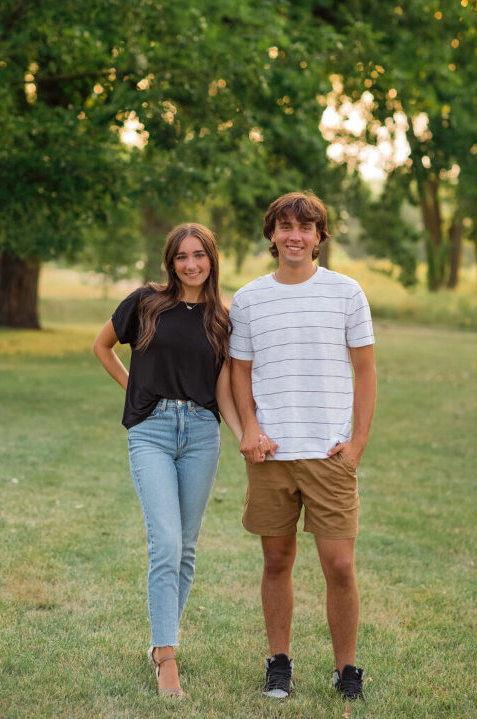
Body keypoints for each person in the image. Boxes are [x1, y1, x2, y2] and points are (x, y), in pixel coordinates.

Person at [94, 223, 272, 698]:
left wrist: (247, 432)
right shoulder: (145, 302)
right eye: (181, 257)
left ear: (212, 259)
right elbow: (101, 346)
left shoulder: (223, 319)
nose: (191, 264)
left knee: (186, 548)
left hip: (200, 434)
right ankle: (167, 657)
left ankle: (161, 643)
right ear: (170, 262)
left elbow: (226, 387)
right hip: (151, 432)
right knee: (166, 543)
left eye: (199, 255)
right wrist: (135, 391)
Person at [230, 191, 377, 702]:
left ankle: (346, 669)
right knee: (276, 561)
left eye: (305, 227)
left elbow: (365, 370)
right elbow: (239, 372)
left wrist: (357, 443)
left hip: (329, 453)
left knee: (340, 566)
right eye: (285, 226)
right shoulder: (248, 299)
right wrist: (250, 428)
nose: (295, 236)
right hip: (271, 454)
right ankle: (279, 664)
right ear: (272, 235)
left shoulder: (346, 292)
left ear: (319, 237)